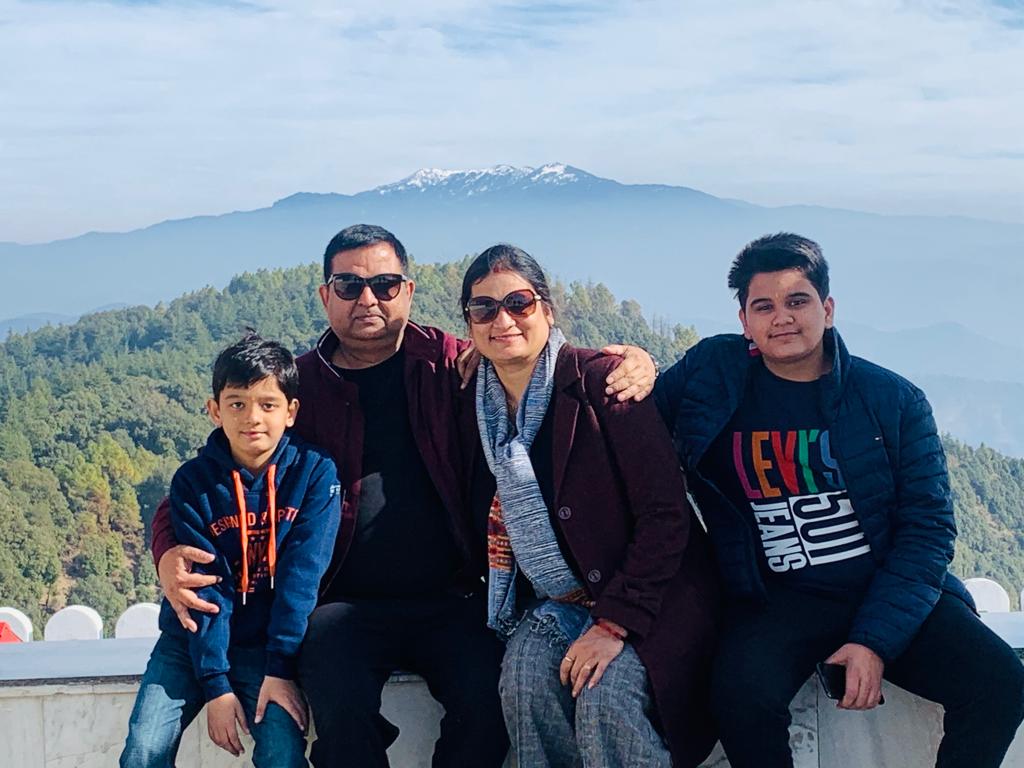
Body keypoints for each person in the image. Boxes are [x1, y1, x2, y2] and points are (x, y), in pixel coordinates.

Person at [149, 224, 657, 767]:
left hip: (453, 597)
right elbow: (217, 470)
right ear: (325, 296)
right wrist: (165, 546)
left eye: (385, 284)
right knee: (341, 720)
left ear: (408, 292)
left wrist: (634, 365)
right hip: (340, 606)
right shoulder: (299, 389)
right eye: (348, 286)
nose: (367, 299)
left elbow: (533, 365)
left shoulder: (450, 365)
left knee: (487, 709)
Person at [653, 232, 1024, 768]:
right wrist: (633, 362)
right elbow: (632, 430)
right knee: (739, 697)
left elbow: (928, 528)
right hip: (775, 597)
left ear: (827, 309)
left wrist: (874, 640)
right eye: (764, 306)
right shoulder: (712, 377)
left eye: (797, 301)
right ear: (745, 322)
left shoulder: (891, 400)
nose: (782, 317)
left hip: (881, 584)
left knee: (1000, 683)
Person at [461, 244, 719, 768]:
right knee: (525, 679)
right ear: (469, 324)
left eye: (519, 303)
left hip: (655, 596)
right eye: (484, 308)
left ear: (548, 310)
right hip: (563, 601)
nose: (502, 319)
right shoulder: (476, 402)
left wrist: (613, 624)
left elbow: (666, 513)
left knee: (606, 696)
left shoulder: (603, 382)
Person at [121, 333, 341, 767]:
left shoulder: (315, 474)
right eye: (237, 403)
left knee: (282, 752)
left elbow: (301, 579)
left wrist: (279, 668)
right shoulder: (194, 483)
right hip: (188, 643)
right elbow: (207, 589)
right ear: (215, 410)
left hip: (267, 647)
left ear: (291, 411)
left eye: (268, 404)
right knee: (145, 749)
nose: (252, 418)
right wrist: (216, 683)